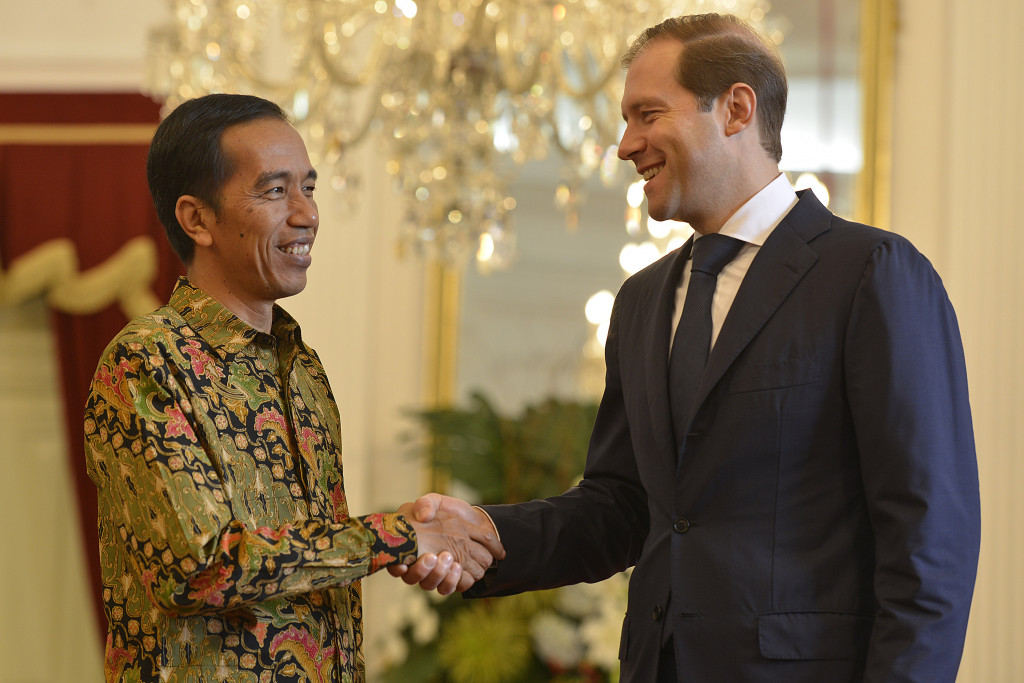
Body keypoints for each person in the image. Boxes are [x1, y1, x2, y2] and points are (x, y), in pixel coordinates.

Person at [393, 13, 980, 682]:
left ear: (735, 108)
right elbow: (622, 508)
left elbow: (929, 541)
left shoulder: (871, 273)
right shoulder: (641, 302)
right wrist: (489, 534)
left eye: (647, 114)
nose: (624, 145)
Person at [83, 93, 503, 682]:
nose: (306, 214)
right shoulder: (146, 363)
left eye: (308, 187)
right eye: (275, 191)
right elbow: (200, 567)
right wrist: (397, 535)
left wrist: (403, 536)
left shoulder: (302, 369)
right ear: (196, 219)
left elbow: (311, 555)